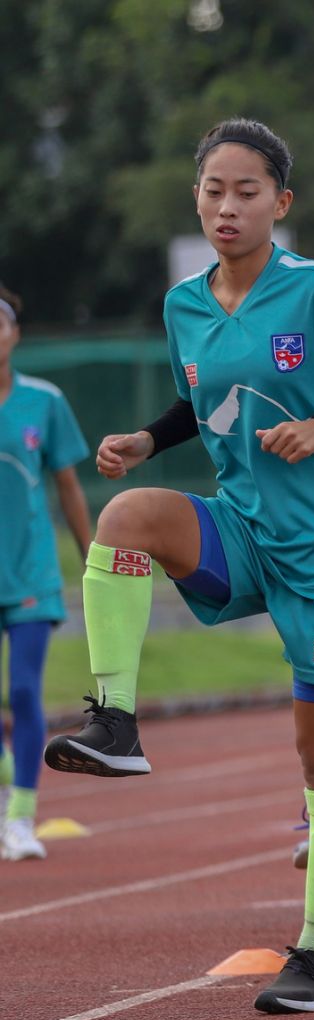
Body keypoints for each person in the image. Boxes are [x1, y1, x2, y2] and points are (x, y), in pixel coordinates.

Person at [44, 119, 314, 1013]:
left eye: (247, 190)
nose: (227, 205)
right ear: (197, 197)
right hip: (244, 531)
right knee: (129, 516)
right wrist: (147, 437)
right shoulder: (184, 303)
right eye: (213, 189)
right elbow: (195, 402)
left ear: (280, 204)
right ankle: (117, 724)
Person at [0, 282, 92, 861]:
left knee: (24, 689)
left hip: (30, 571)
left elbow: (68, 487)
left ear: (15, 333)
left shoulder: (45, 402)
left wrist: (94, 561)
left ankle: (20, 816)